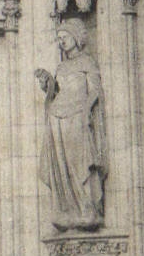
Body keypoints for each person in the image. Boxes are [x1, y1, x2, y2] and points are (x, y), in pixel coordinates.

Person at [35, 19, 107, 231]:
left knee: (79, 162)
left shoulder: (87, 63)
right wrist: (48, 84)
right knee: (62, 165)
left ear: (75, 37)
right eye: (59, 39)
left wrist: (86, 111)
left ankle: (87, 208)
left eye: (64, 37)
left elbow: (95, 90)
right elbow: (56, 93)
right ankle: (65, 209)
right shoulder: (62, 66)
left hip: (77, 116)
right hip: (58, 117)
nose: (61, 42)